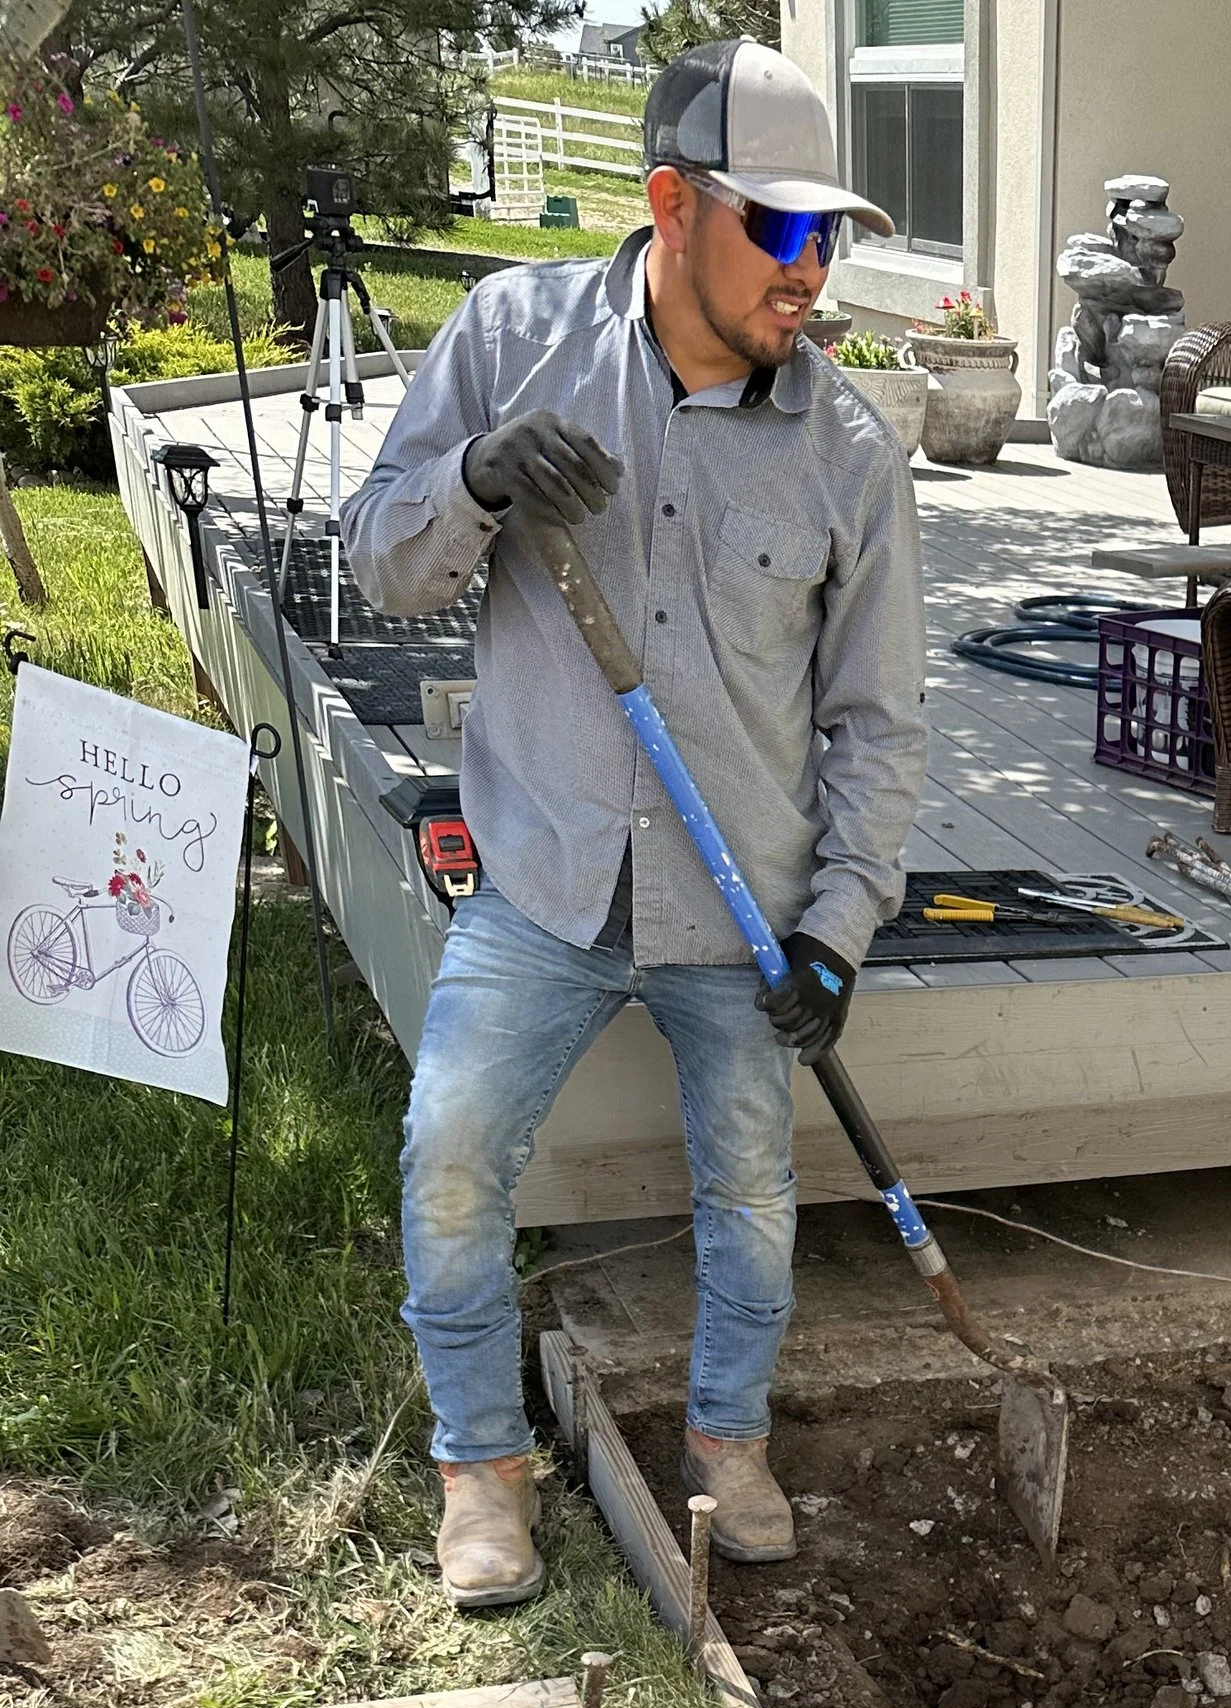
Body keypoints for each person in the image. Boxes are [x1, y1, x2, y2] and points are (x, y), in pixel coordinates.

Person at [341, 40, 928, 1608]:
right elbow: (381, 567)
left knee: (752, 1196)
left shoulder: (850, 454)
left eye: (835, 236)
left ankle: (727, 1443)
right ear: (674, 205)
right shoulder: (515, 341)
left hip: (742, 912)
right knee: (453, 1155)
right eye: (783, 231)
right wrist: (472, 475)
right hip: (541, 878)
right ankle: (483, 1471)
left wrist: (838, 928)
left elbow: (878, 725)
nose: (816, 269)